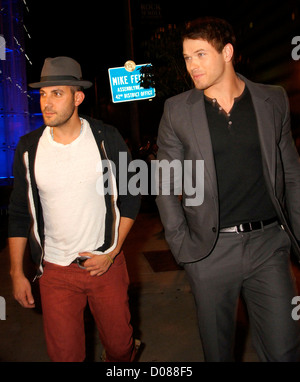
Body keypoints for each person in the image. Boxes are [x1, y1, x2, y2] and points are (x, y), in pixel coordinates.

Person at [156, 17, 300, 362]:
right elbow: (164, 182)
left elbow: (292, 173)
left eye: (201, 55)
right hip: (210, 250)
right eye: (187, 57)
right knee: (219, 352)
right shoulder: (178, 111)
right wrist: (183, 247)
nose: (192, 65)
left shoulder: (272, 100)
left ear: (228, 53)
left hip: (268, 245)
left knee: (286, 349)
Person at [8, 56, 141, 362]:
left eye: (57, 93)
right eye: (42, 94)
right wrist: (17, 272)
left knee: (121, 349)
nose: (47, 103)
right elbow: (18, 213)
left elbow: (133, 196)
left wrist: (112, 251)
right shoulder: (29, 148)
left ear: (78, 97)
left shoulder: (106, 138)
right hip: (55, 271)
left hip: (105, 262)